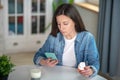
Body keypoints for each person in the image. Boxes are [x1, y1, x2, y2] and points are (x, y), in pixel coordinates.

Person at [33, 3, 99, 77]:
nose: (61, 28)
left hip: (79, 77)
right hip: (57, 76)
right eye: (59, 24)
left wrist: (91, 70)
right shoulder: (53, 38)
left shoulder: (87, 38)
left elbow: (94, 63)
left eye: (65, 23)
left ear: (75, 22)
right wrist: (44, 62)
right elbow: (37, 56)